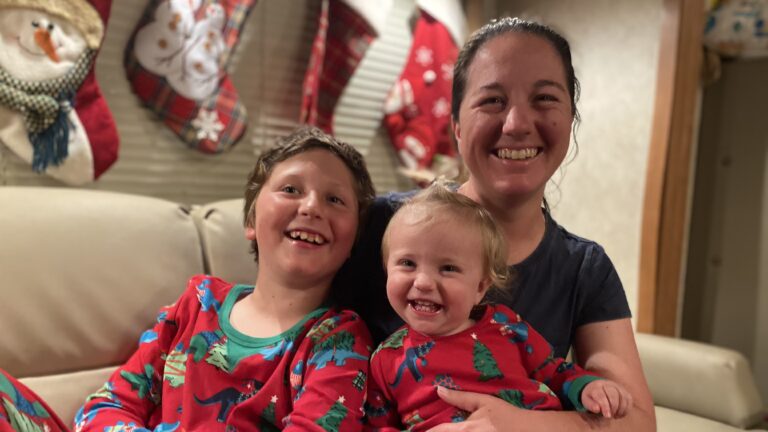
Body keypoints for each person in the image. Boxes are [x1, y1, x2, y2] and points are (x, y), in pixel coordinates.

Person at [336, 17, 656, 431]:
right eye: (492, 101)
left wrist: (521, 425)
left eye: (544, 98)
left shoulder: (584, 267)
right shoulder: (382, 225)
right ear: (456, 125)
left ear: (571, 119)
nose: (517, 124)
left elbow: (637, 422)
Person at [0, 126, 376, 432]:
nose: (311, 207)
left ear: (353, 241)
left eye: (335, 200)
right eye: (291, 189)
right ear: (249, 221)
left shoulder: (339, 340)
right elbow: (108, 403)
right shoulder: (196, 304)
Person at [364, 183, 632, 431]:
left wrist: (588, 388)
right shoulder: (384, 360)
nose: (422, 282)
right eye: (407, 263)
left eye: (448, 268)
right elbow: (378, 426)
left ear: (480, 288)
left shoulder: (507, 327)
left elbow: (555, 371)